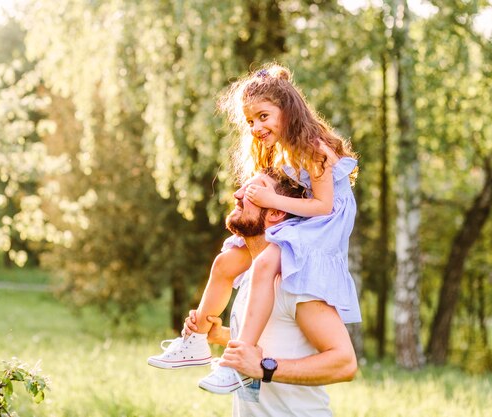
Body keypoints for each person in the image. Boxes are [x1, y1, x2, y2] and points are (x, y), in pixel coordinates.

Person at [148, 63, 361, 394]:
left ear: (287, 111)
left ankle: (240, 358)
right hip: (299, 214)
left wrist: (268, 197)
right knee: (226, 262)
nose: (256, 126)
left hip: (322, 223)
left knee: (265, 264)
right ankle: (196, 338)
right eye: (249, 121)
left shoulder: (314, 148)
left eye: (264, 116)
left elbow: (323, 207)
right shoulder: (275, 149)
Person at [186, 169, 357, 415]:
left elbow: (345, 363)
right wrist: (222, 335)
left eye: (254, 190)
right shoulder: (252, 278)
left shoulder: (295, 281)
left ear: (276, 211)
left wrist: (265, 368)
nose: (237, 194)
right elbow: (281, 338)